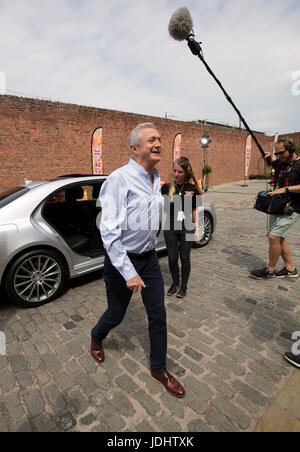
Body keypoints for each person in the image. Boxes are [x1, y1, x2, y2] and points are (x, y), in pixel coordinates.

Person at [90, 123, 185, 398]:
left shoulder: (156, 178)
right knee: (116, 313)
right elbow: (108, 231)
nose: (158, 144)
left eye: (159, 139)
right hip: (122, 261)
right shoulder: (119, 179)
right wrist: (129, 272)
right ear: (134, 148)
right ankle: (97, 336)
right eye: (151, 140)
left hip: (150, 260)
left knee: (158, 315)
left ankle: (159, 368)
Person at [251, 138, 300, 280]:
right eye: (276, 154)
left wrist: (285, 189)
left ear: (291, 150)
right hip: (277, 206)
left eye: (281, 153)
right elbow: (273, 164)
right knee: (279, 238)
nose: (278, 156)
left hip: (292, 208)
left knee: (273, 237)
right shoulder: (281, 163)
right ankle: (290, 269)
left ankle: (270, 270)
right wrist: (268, 159)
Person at [161, 157, 202, 298]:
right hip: (170, 226)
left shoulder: (193, 189)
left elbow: (195, 209)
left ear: (186, 172)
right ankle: (175, 283)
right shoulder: (166, 187)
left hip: (188, 226)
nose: (176, 174)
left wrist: (197, 229)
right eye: (174, 171)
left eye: (179, 171)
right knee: (172, 258)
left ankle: (184, 286)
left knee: (185, 257)